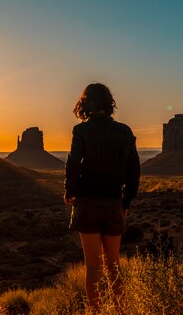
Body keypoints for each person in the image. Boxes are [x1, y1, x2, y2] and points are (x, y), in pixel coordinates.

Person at [64, 83, 140, 313]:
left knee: (94, 267)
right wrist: (126, 202)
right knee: (113, 266)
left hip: (87, 203)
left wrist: (69, 191)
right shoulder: (125, 132)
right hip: (113, 203)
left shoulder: (82, 131)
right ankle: (119, 311)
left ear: (86, 103)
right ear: (109, 104)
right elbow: (134, 171)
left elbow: (73, 164)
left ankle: (95, 312)